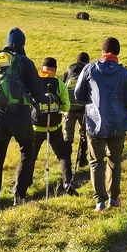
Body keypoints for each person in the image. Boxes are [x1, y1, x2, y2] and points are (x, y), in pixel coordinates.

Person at [0, 28, 53, 213]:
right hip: (20, 115)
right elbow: (39, 96)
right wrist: (49, 98)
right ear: (22, 43)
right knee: (27, 152)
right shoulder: (25, 62)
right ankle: (19, 195)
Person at [73, 37, 127, 211]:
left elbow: (78, 95)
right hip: (117, 124)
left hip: (94, 125)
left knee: (96, 163)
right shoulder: (124, 74)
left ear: (102, 51)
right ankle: (113, 199)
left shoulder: (89, 68)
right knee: (114, 161)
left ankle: (99, 202)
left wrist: (90, 103)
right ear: (118, 53)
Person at [32, 57, 76, 196]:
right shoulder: (59, 84)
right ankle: (67, 182)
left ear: (42, 68)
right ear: (55, 69)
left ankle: (24, 185)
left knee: (29, 157)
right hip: (54, 127)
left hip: (36, 128)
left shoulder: (34, 82)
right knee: (64, 156)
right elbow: (66, 106)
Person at [62, 52, 90, 169]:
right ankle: (82, 158)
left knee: (68, 136)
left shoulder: (69, 70)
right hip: (82, 109)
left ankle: (66, 162)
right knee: (84, 134)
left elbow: (62, 86)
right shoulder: (87, 71)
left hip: (68, 108)